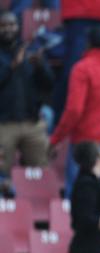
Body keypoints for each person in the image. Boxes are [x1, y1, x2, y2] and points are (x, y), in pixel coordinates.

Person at [50, 25, 100, 197]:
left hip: (84, 142)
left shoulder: (82, 68)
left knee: (77, 198)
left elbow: (74, 110)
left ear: (89, 44)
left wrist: (56, 138)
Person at [0, 9, 54, 175]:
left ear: (18, 27)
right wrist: (12, 67)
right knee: (1, 174)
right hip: (4, 125)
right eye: (3, 25)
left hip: (32, 124)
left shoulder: (30, 51)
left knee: (42, 171)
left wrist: (40, 66)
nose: (8, 28)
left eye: (12, 24)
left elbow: (49, 83)